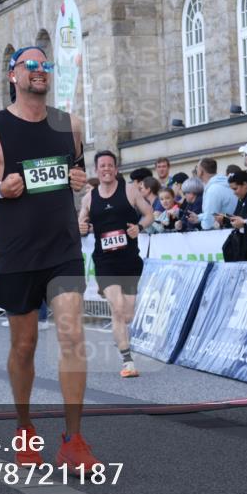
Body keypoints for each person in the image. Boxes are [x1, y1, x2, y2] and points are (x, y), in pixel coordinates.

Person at [0, 44, 100, 469]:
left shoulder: (70, 125)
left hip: (63, 248)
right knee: (24, 345)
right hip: (17, 252)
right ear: (12, 76)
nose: (39, 70)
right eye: (29, 65)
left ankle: (73, 440)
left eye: (44, 65)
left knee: (73, 336)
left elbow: (77, 171)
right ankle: (24, 427)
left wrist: (78, 180)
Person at [78, 151, 154, 378]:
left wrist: (138, 228)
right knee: (118, 308)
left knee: (127, 315)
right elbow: (79, 223)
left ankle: (121, 335)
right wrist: (81, 228)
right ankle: (127, 361)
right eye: (102, 166)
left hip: (129, 260)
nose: (106, 169)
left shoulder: (129, 190)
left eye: (110, 165)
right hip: (105, 262)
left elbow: (149, 214)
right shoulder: (89, 198)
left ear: (116, 168)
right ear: (96, 170)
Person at [190, 158, 236, 230]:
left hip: (224, 233)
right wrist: (199, 217)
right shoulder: (222, 183)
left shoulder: (213, 189)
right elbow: (217, 213)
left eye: (197, 168)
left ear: (201, 171)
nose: (196, 170)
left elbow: (209, 222)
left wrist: (204, 225)